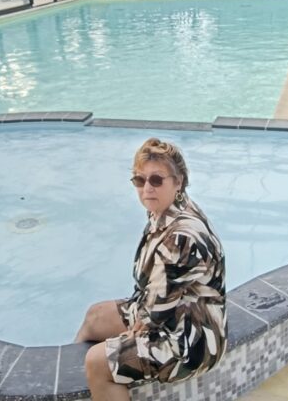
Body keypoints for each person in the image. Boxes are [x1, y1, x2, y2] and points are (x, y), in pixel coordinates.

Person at [75, 138, 227, 401]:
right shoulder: (167, 209)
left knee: (96, 363)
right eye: (139, 179)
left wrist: (126, 341)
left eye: (156, 180)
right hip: (171, 314)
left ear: (178, 182)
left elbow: (152, 315)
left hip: (189, 341)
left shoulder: (181, 237)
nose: (147, 188)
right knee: (94, 317)